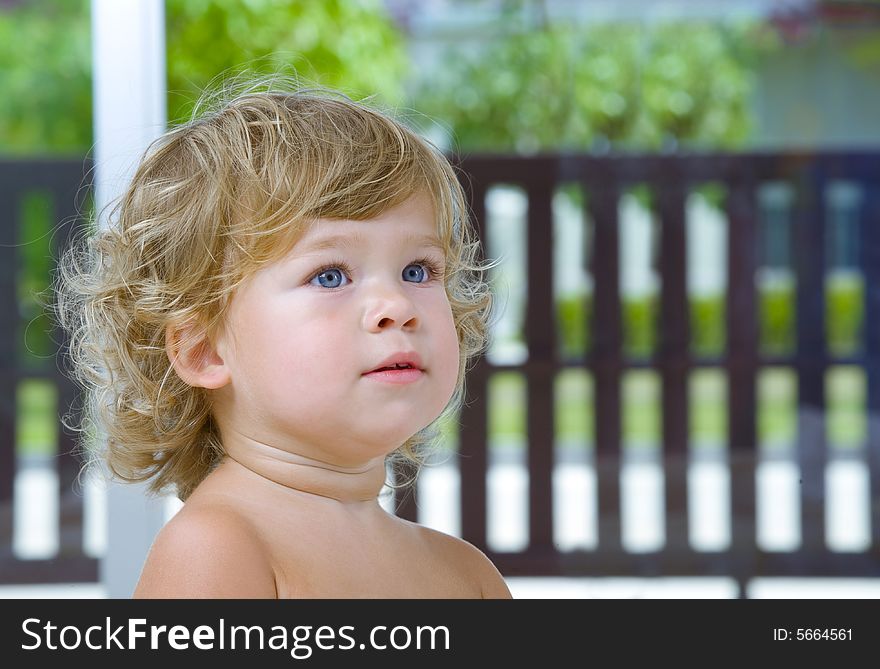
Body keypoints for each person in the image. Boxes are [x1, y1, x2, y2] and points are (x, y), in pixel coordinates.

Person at [57, 79, 512, 599]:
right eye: (330, 275)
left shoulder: (467, 574)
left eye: (417, 270)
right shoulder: (215, 552)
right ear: (203, 349)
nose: (397, 307)